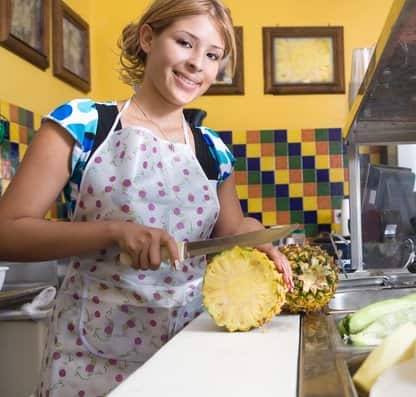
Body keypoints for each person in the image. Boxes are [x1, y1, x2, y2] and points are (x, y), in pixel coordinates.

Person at [0, 1, 294, 396]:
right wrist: (113, 232)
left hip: (188, 351)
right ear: (148, 37)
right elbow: (7, 231)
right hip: (89, 358)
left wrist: (257, 237)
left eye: (212, 55)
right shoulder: (83, 123)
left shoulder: (213, 150)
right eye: (185, 43)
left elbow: (231, 230)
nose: (197, 64)